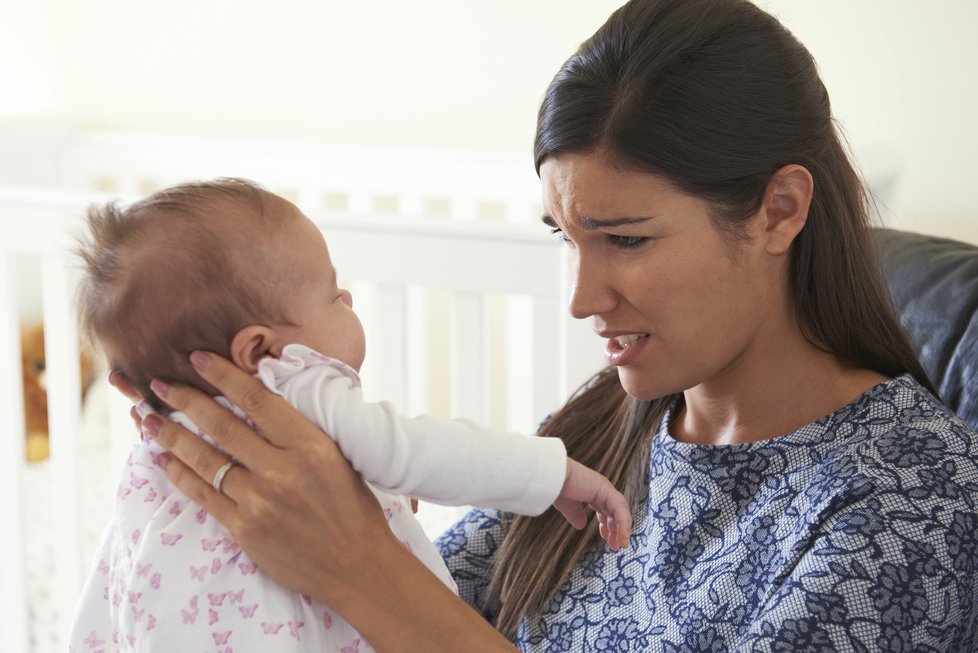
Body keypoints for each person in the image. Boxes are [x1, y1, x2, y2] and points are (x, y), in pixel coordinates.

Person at [121, 0, 978, 650]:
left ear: (780, 210)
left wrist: (360, 566)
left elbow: (399, 605)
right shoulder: (608, 424)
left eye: (627, 240)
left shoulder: (910, 503)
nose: (580, 297)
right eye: (565, 238)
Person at [68, 179, 632, 652]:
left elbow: (103, 604)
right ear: (258, 351)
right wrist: (551, 473)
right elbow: (424, 453)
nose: (350, 302)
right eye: (334, 295)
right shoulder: (290, 378)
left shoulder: (159, 447)